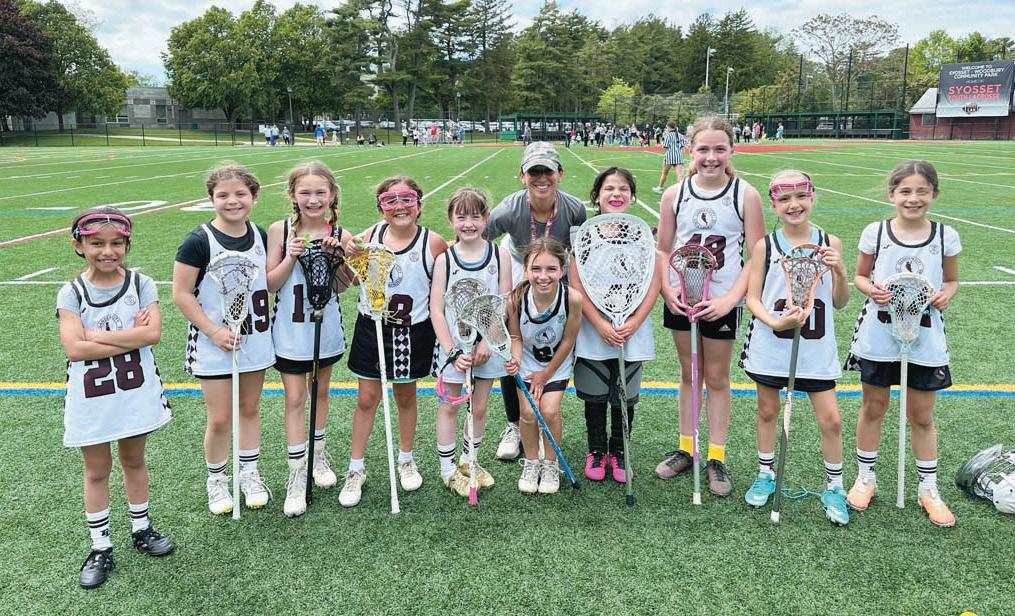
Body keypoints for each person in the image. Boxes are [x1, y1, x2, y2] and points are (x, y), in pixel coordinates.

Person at [59, 207, 174, 589]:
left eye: (115, 244)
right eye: (96, 243)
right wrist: (128, 337)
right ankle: (100, 546)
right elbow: (74, 349)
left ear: (127, 245)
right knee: (96, 470)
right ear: (79, 245)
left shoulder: (141, 284)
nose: (107, 251)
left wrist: (94, 336)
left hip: (134, 393)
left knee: (134, 461)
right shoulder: (72, 292)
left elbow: (152, 335)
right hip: (92, 398)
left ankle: (141, 528)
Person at [844, 160, 961, 527]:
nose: (913, 198)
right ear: (892, 194)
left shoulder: (945, 235)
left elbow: (952, 280)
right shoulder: (876, 232)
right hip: (879, 334)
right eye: (905, 191)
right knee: (873, 407)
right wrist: (872, 290)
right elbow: (860, 276)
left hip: (924, 336)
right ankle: (866, 478)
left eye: (922, 191)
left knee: (921, 415)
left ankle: (928, 488)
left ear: (934, 194)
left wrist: (946, 294)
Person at [654, 115, 765, 496]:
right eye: (703, 149)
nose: (711, 157)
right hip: (682, 298)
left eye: (720, 149)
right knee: (689, 374)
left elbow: (757, 255)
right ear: (690, 150)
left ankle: (716, 456)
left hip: (719, 301)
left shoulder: (745, 195)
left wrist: (730, 299)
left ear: (732, 150)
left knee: (716, 378)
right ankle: (687, 448)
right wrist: (667, 290)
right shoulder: (675, 194)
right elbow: (663, 249)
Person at [739, 170, 852, 524]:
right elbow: (753, 298)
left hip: (815, 349)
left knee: (831, 419)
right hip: (772, 345)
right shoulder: (765, 246)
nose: (794, 205)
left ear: (812, 197)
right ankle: (765, 473)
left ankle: (835, 486)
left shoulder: (829, 242)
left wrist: (840, 271)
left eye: (801, 197)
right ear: (773, 205)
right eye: (785, 199)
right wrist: (775, 323)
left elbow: (840, 302)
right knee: (767, 411)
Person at [339, 177, 448, 508]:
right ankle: (355, 468)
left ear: (418, 204)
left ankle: (406, 459)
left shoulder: (433, 243)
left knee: (405, 397)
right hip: (372, 328)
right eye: (390, 200)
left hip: (411, 332)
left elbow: (443, 288)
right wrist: (348, 256)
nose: (399, 206)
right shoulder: (368, 237)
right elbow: (349, 281)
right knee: (366, 399)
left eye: (407, 199)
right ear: (381, 208)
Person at [173, 163, 275, 516]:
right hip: (214, 343)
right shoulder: (199, 240)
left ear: (254, 197)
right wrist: (213, 330)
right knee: (219, 418)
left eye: (240, 194)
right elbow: (182, 293)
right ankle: (216, 479)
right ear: (211, 199)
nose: (232, 201)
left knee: (249, 409)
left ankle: (249, 473)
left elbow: (269, 283)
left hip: (254, 339)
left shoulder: (260, 236)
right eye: (223, 195)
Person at [483, 141, 587, 461]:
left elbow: (579, 252)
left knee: (553, 335)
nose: (542, 178)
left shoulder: (574, 209)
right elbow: (478, 241)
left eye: (548, 171)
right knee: (511, 344)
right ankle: (515, 424)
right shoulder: (509, 209)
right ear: (522, 175)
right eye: (534, 172)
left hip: (554, 269)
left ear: (560, 174)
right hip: (518, 264)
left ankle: (544, 416)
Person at [265, 162, 354, 518]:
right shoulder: (280, 230)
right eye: (305, 192)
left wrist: (337, 258)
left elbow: (345, 286)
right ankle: (296, 472)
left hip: (325, 328)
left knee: (320, 392)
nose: (313, 199)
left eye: (320, 192)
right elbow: (271, 284)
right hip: (290, 329)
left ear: (332, 195)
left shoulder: (342, 233)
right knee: (295, 398)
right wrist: (291, 256)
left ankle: (318, 456)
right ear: (293, 195)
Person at [570, 168, 660, 483]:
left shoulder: (643, 235)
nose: (616, 194)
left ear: (632, 196)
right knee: (594, 394)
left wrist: (634, 322)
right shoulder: (583, 235)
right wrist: (599, 323)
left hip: (631, 330)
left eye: (623, 188)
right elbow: (576, 284)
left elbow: (653, 283)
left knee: (625, 395)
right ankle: (596, 449)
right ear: (596, 196)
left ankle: (620, 450)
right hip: (593, 328)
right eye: (609, 188)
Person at [429, 188, 513, 496]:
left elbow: (504, 301)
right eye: (461, 217)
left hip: (486, 347)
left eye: (476, 216)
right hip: (454, 349)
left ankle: (469, 461)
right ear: (451, 219)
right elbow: (436, 309)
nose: (468, 223)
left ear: (486, 218)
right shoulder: (445, 260)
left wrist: (488, 342)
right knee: (450, 406)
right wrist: (452, 351)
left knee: (479, 407)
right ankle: (447, 469)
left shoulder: (499, 255)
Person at [505, 237, 582, 494]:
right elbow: (515, 337)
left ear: (562, 269)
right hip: (527, 362)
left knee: (549, 411)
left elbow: (569, 340)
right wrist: (516, 359)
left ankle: (550, 463)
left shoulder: (572, 299)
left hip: (556, 364)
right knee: (528, 413)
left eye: (551, 269)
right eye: (536, 269)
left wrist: (546, 374)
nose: (543, 276)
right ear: (525, 269)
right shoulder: (516, 298)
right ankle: (531, 461)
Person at [654, 121, 687, 194]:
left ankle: (660, 188)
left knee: (664, 173)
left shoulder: (668, 135)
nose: (666, 128)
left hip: (669, 156)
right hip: (679, 156)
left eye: (667, 127)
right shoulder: (680, 135)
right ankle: (681, 190)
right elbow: (683, 145)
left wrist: (662, 143)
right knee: (679, 174)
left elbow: (665, 147)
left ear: (669, 127)